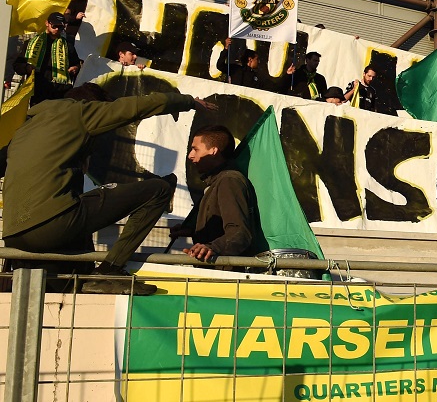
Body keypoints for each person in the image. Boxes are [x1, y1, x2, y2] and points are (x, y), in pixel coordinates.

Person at [1, 83, 217, 295]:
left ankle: (85, 278)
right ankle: (109, 270)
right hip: (52, 226)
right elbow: (136, 106)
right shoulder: (80, 111)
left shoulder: (26, 129)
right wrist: (187, 101)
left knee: (77, 224)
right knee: (159, 189)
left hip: (14, 236)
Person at [170, 126, 256, 262]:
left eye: (195, 149)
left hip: (224, 274)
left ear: (213, 151)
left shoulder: (229, 181)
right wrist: (191, 229)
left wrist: (212, 247)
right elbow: (219, 227)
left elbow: (239, 233)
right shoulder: (217, 182)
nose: (190, 155)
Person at [13, 12, 81, 105]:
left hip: (60, 94)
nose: (57, 29)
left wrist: (75, 68)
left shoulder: (67, 46)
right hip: (38, 93)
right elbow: (17, 65)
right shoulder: (31, 43)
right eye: (54, 26)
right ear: (47, 23)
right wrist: (27, 68)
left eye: (60, 27)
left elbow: (76, 63)